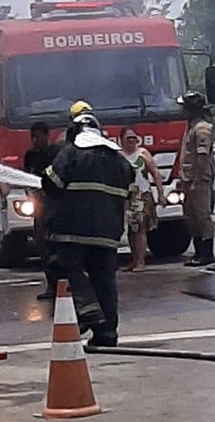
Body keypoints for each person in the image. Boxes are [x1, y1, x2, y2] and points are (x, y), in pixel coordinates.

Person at [42, 113, 134, 347]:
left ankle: (88, 308)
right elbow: (130, 188)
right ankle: (107, 334)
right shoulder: (120, 160)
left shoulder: (71, 152)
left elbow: (52, 184)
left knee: (60, 265)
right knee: (104, 280)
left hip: (72, 229)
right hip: (108, 233)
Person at [120, 127, 166, 272]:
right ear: (122, 140)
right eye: (128, 138)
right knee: (131, 229)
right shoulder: (118, 156)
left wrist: (161, 194)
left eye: (134, 137)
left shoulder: (142, 153)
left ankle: (141, 261)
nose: (131, 140)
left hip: (142, 195)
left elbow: (155, 173)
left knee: (140, 229)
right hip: (126, 197)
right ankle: (134, 260)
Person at [24, 122, 61, 299]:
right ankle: (51, 285)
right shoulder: (30, 156)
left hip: (56, 208)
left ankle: (64, 284)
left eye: (38, 137)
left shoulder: (56, 154)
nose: (34, 141)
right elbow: (26, 178)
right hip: (40, 209)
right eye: (32, 137)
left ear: (48, 135)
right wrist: (32, 193)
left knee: (57, 247)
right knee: (42, 247)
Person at [178, 91, 215, 267]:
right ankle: (198, 252)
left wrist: (196, 180)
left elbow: (202, 156)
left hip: (198, 180)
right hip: (189, 180)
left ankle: (207, 253)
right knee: (191, 217)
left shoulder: (201, 129)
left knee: (202, 216)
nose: (182, 111)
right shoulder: (191, 127)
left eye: (184, 108)